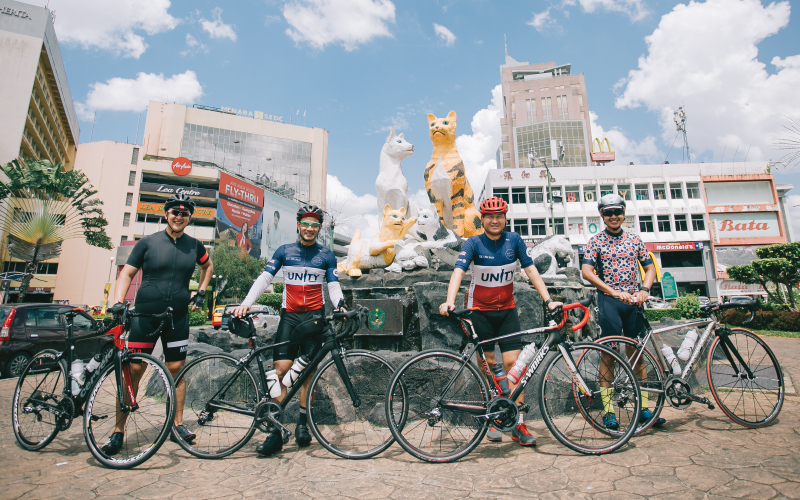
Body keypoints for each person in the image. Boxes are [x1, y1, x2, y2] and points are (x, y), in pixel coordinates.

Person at [439, 196, 562, 447]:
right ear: (482, 219)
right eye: (489, 217)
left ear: (505, 219)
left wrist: (549, 300)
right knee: (488, 366)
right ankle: (493, 418)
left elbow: (530, 270)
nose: (494, 221)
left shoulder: (514, 240)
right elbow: (458, 271)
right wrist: (449, 300)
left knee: (513, 365)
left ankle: (518, 422)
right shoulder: (474, 243)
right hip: (479, 312)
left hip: (507, 311)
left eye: (499, 216)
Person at [104, 194, 213, 455]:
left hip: (177, 316)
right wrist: (117, 302)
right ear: (166, 214)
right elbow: (127, 273)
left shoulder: (195, 246)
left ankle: (177, 426)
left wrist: (201, 292)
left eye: (184, 213)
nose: (179, 217)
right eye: (175, 212)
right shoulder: (148, 243)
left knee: (176, 369)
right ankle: (118, 431)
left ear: (189, 218)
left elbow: (208, 266)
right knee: (133, 369)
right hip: (145, 315)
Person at [233, 204, 343, 457]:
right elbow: (265, 278)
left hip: (314, 319)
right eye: (306, 223)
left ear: (319, 228)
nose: (309, 228)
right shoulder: (284, 251)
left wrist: (340, 304)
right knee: (280, 371)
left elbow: (333, 284)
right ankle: (276, 430)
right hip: (290, 318)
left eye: (314, 225)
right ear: (298, 225)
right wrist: (246, 303)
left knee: (307, 373)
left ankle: (303, 423)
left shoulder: (326, 255)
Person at [580, 193, 665, 429]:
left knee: (637, 354)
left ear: (624, 213)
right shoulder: (596, 241)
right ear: (602, 215)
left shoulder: (634, 240)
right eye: (608, 213)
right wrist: (613, 291)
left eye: (617, 212)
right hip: (609, 302)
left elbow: (649, 268)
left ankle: (644, 409)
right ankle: (608, 412)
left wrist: (645, 289)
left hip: (633, 303)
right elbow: (586, 272)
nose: (614, 216)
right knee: (609, 355)